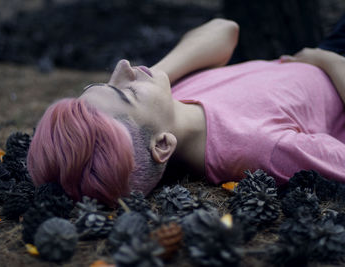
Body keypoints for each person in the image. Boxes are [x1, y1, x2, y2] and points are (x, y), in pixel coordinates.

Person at [27, 17, 345, 206]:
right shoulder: (263, 149)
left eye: (106, 83)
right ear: (162, 145)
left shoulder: (166, 102)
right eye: (123, 93)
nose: (123, 67)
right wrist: (329, 62)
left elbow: (225, 29)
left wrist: (148, 79)